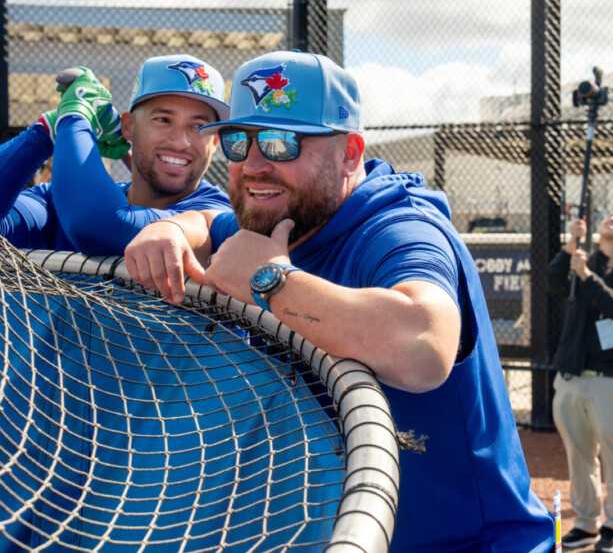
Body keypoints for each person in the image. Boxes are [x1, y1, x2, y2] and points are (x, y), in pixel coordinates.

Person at [123, 50, 555, 552]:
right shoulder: (279, 216)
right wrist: (173, 228)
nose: (254, 165)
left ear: (350, 153)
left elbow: (423, 345)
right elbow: (210, 224)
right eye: (239, 142)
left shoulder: (397, 227)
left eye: (284, 143)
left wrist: (270, 281)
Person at [0, 55, 232, 253]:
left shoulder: (215, 214)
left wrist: (74, 120)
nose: (181, 142)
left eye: (197, 126)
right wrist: (45, 132)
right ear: (128, 127)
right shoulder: (55, 202)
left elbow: (97, 225)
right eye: (163, 120)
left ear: (215, 141)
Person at [547, 208, 613, 553]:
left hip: (610, 377)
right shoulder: (580, 259)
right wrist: (568, 247)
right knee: (579, 454)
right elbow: (553, 281)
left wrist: (589, 277)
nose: (612, 218)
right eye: (609, 215)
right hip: (572, 373)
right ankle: (588, 523)